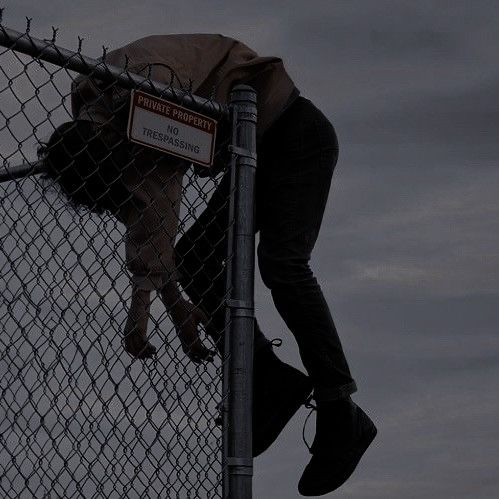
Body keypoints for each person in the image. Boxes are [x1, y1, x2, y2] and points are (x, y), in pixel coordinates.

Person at [43, 33, 377, 495]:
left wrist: (147, 298)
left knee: (283, 264)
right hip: (253, 149)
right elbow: (147, 201)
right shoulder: (104, 114)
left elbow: (156, 192)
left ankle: (342, 411)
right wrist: (161, 294)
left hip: (294, 133)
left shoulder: (139, 88)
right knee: (195, 256)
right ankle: (269, 379)